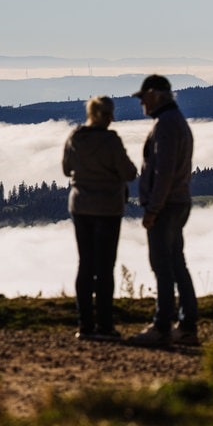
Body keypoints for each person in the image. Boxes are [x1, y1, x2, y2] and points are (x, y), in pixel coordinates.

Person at [127, 75, 200, 347]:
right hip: (178, 202)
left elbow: (164, 172)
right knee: (176, 263)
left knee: (163, 266)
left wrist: (153, 209)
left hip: (167, 206)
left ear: (155, 95)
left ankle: (162, 326)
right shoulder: (174, 122)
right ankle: (187, 325)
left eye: (143, 96)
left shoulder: (166, 125)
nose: (141, 102)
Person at [62, 95, 137, 341]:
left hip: (81, 205)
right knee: (105, 267)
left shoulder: (75, 137)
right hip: (107, 208)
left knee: (85, 265)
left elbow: (65, 169)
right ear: (101, 115)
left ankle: (85, 325)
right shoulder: (111, 141)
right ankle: (104, 325)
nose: (112, 118)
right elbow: (129, 172)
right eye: (109, 114)